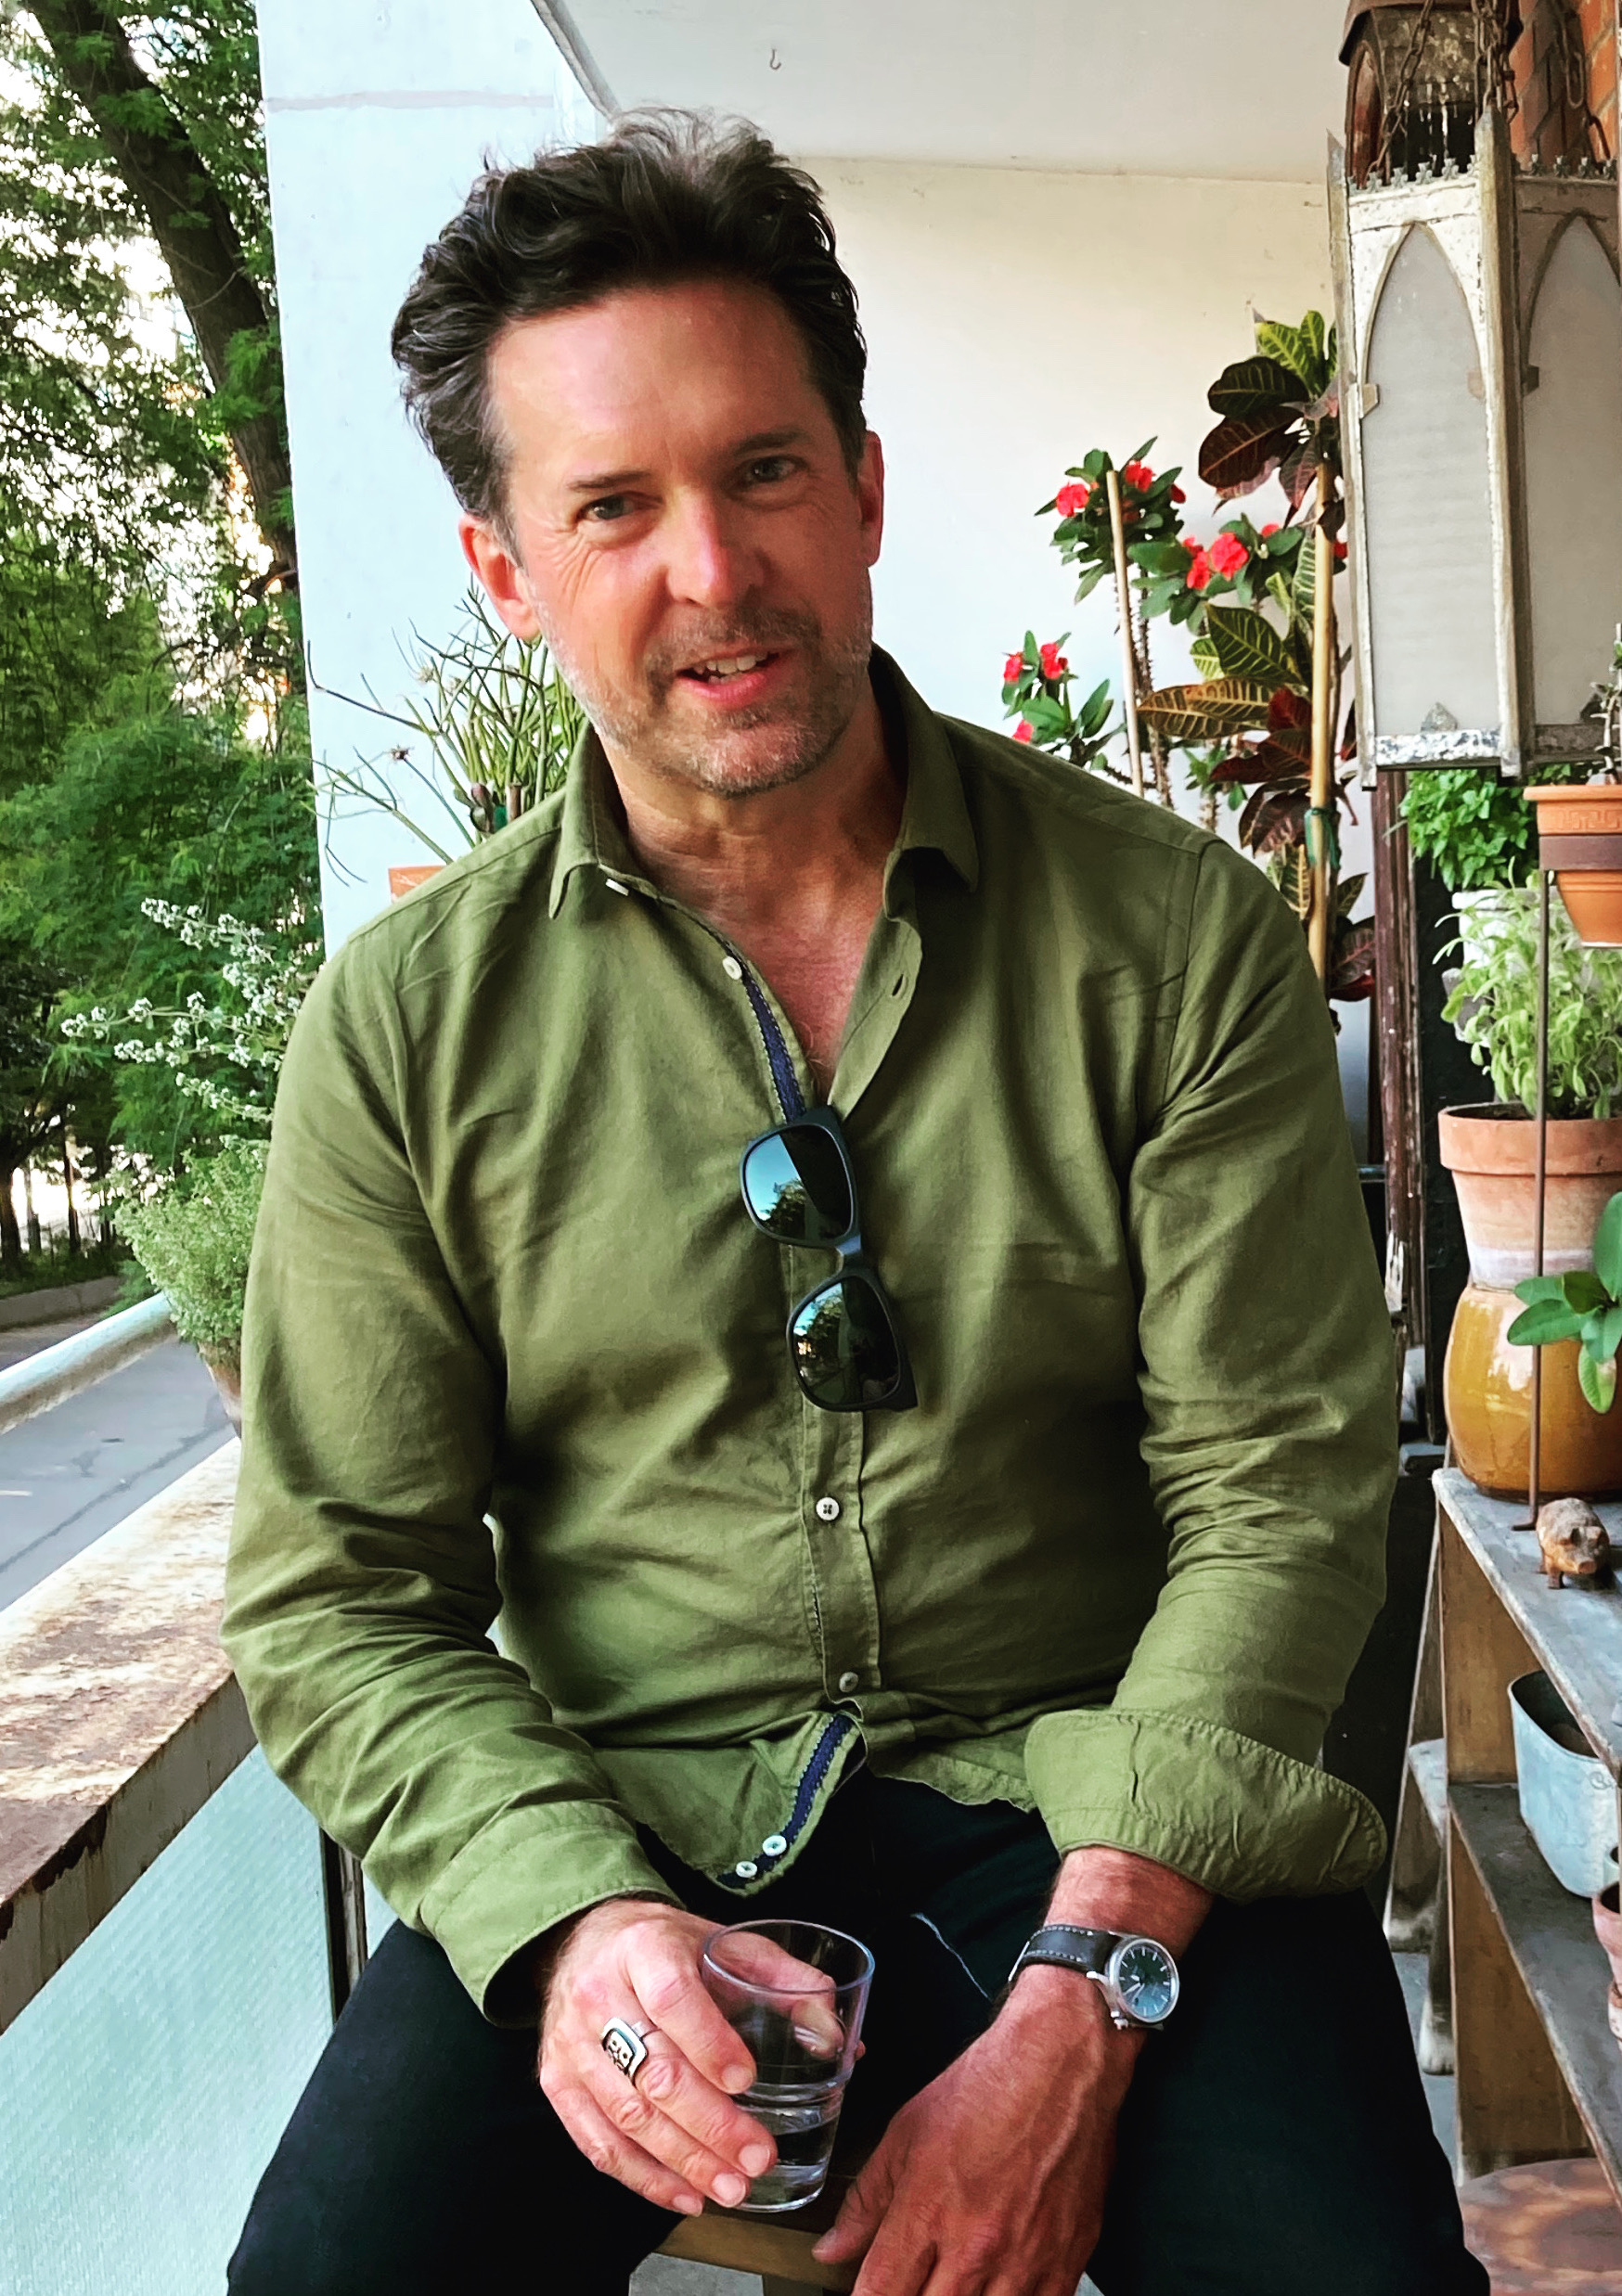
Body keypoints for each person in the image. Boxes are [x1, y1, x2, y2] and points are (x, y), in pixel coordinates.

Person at [223, 110, 1485, 2296]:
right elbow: (340, 1590)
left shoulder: (1169, 938)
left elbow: (1278, 1497)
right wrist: (570, 1918)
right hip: (622, 1819)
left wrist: (1087, 1992)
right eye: (613, 506)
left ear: (865, 487)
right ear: (507, 572)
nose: (713, 568)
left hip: (1102, 1800)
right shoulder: (408, 1025)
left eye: (764, 470)